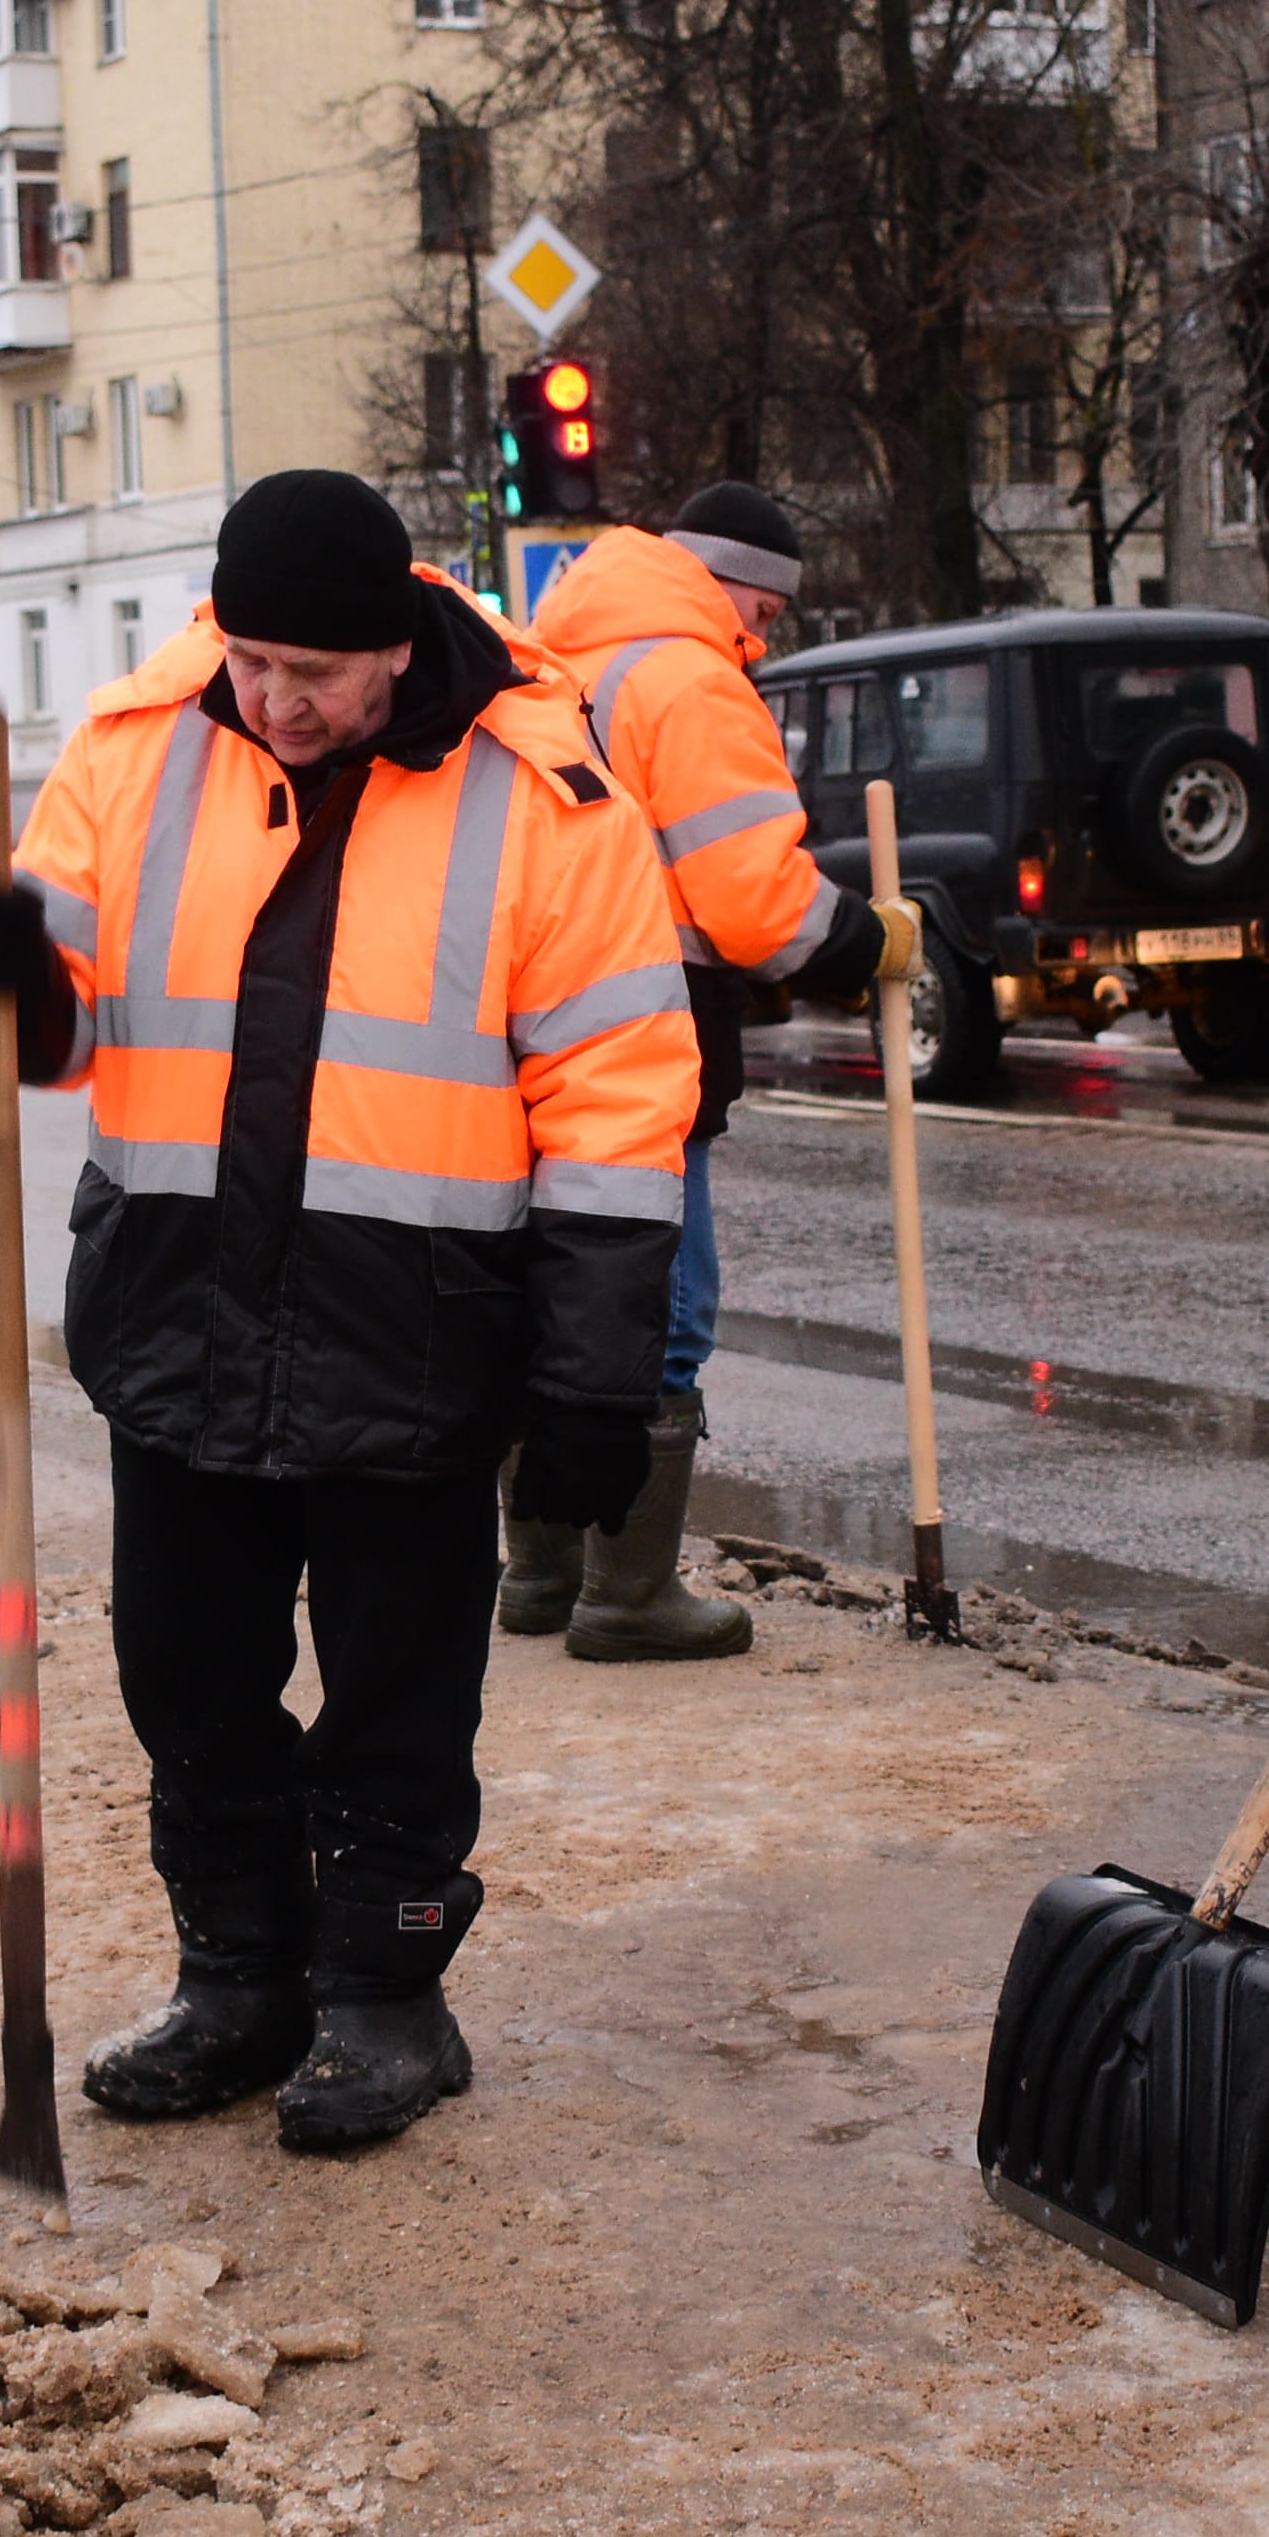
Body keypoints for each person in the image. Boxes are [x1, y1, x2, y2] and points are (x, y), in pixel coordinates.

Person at [0, 470, 698, 2154]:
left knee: (399, 1695)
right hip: (178, 1314)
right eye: (253, 660)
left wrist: (592, 1384)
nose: (275, 701)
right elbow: (45, 1038)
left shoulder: (542, 793)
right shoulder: (135, 750)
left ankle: (384, 2004)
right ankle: (238, 1981)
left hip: (415, 1331)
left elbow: (620, 1103)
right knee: (183, 1678)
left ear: (392, 654)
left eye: (314, 674)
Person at [510, 484, 904, 1659]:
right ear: (730, 585)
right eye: (765, 609)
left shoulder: (552, 659)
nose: (764, 635)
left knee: (549, 1290)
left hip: (529, 1012)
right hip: (647, 1021)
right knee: (661, 1302)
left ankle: (535, 1578)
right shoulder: (686, 680)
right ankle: (625, 1597)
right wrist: (871, 938)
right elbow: (752, 903)